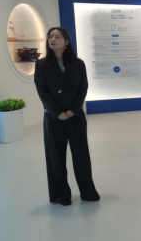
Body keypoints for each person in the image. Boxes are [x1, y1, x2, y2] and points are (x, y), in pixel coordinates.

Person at [34, 27, 100, 207]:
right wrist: (57, 112)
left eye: (57, 36)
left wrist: (73, 110)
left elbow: (83, 88)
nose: (52, 39)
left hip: (75, 116)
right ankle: (61, 194)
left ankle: (87, 191)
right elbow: (42, 91)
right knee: (55, 158)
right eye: (50, 37)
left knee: (81, 155)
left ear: (66, 41)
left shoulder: (78, 64)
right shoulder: (41, 64)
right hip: (53, 117)